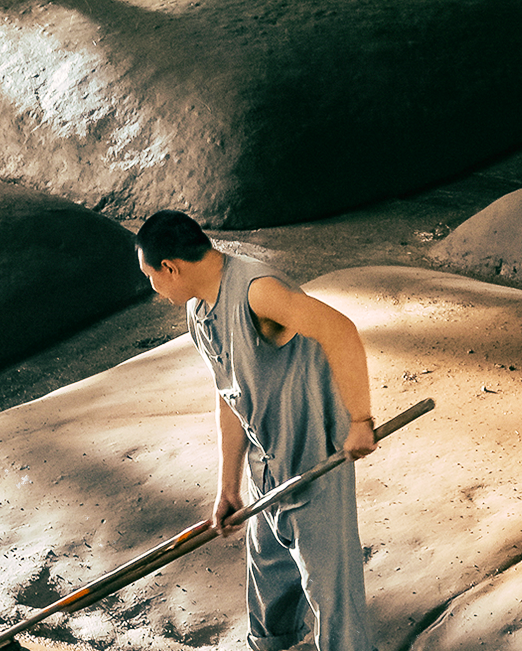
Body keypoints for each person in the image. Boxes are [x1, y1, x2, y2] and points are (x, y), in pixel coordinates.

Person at [135, 210, 379, 651]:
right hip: (265, 470)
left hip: (313, 463)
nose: (153, 288)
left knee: (333, 601)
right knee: (269, 589)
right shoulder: (199, 312)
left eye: (150, 275)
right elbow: (230, 396)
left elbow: (339, 330)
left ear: (169, 267)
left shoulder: (257, 291)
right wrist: (228, 486)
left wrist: (360, 420)